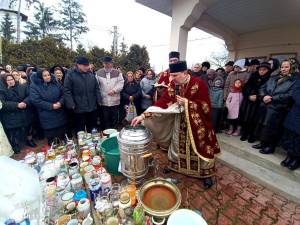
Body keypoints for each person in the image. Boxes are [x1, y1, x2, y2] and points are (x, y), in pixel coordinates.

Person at [131, 61, 221, 189]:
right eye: (171, 75)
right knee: (177, 143)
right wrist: (143, 115)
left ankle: (206, 174)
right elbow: (163, 102)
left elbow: (206, 106)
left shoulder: (198, 83)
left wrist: (187, 103)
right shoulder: (173, 84)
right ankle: (176, 166)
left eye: (175, 75)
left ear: (185, 73)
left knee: (200, 146)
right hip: (180, 121)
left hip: (197, 123)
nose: (171, 78)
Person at [253, 60, 296, 154]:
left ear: (291, 68)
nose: (283, 69)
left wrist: (272, 98)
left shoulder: (294, 81)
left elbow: (290, 95)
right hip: (265, 105)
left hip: (279, 108)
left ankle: (270, 146)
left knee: (273, 128)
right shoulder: (273, 77)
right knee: (263, 125)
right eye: (282, 67)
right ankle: (263, 142)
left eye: (286, 67)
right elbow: (262, 88)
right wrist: (264, 96)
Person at [64, 56, 101, 133]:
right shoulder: (70, 75)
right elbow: (67, 90)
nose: (87, 67)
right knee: (80, 129)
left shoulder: (91, 75)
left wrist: (99, 99)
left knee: (92, 128)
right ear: (78, 65)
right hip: (79, 107)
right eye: (85, 65)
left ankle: (93, 143)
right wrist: (71, 104)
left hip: (92, 106)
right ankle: (82, 143)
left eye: (87, 65)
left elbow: (96, 88)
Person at [0, 74, 35, 153]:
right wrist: (17, 105)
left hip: (24, 110)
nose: (10, 81)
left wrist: (25, 102)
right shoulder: (2, 90)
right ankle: (15, 145)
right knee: (13, 132)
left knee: (28, 127)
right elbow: (3, 103)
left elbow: (29, 96)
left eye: (11, 79)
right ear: (4, 82)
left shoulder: (22, 86)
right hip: (11, 114)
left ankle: (29, 140)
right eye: (8, 80)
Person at [30, 69, 66, 145]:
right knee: (52, 140)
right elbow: (36, 100)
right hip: (46, 114)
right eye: (45, 75)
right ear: (40, 77)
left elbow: (63, 94)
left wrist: (60, 102)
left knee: (62, 136)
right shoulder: (34, 86)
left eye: (48, 75)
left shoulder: (55, 82)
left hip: (59, 111)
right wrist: (51, 106)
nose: (48, 77)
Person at [239, 62, 272, 143]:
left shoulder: (269, 79)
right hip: (249, 101)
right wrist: (249, 96)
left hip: (259, 103)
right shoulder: (253, 77)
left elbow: (267, 91)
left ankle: (252, 135)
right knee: (246, 118)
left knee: (255, 120)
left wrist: (257, 97)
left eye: (264, 70)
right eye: (260, 69)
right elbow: (245, 88)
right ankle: (245, 133)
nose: (262, 71)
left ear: (268, 70)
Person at [96, 56, 124, 130]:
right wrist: (99, 98)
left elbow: (121, 83)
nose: (108, 65)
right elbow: (96, 86)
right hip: (104, 101)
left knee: (114, 118)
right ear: (103, 64)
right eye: (106, 63)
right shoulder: (98, 73)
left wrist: (114, 90)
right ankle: (107, 133)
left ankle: (114, 133)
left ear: (112, 64)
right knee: (105, 119)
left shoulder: (118, 73)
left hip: (115, 100)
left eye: (109, 63)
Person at [280, 77, 300, 170]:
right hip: (296, 112)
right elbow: (296, 92)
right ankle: (289, 155)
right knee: (292, 136)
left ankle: (296, 159)